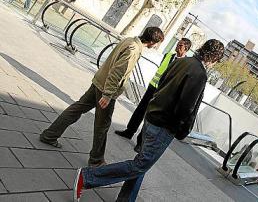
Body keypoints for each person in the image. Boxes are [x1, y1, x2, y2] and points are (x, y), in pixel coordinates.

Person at [72, 39, 224, 202]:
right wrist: (181, 130)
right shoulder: (199, 73)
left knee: (141, 163)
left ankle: (126, 199)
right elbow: (186, 107)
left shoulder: (181, 61)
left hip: (152, 116)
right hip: (164, 126)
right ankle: (88, 177)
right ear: (214, 57)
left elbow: (161, 83)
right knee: (140, 165)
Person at [39, 27, 164, 167]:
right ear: (153, 41)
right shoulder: (134, 49)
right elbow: (117, 72)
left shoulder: (129, 40)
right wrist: (108, 95)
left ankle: (49, 135)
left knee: (77, 108)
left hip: (99, 81)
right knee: (102, 125)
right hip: (106, 88)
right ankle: (96, 160)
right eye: (157, 43)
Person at [115, 38, 192, 150]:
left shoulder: (185, 64)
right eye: (177, 44)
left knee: (150, 116)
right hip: (153, 87)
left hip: (164, 93)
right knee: (140, 110)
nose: (177, 47)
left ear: (186, 49)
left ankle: (140, 143)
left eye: (180, 46)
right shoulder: (168, 55)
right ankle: (129, 131)